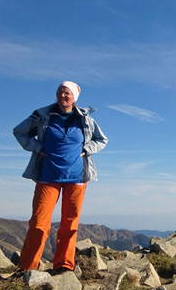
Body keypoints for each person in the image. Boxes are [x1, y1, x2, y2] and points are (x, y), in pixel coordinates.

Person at [13, 81, 108, 273]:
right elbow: (19, 131)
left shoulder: (85, 119)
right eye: (60, 92)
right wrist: (38, 148)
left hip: (77, 177)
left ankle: (64, 265)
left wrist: (86, 149)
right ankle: (28, 268)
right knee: (39, 222)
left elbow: (101, 140)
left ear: (74, 97)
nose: (63, 96)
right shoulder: (43, 116)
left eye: (67, 93)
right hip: (47, 177)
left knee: (70, 222)